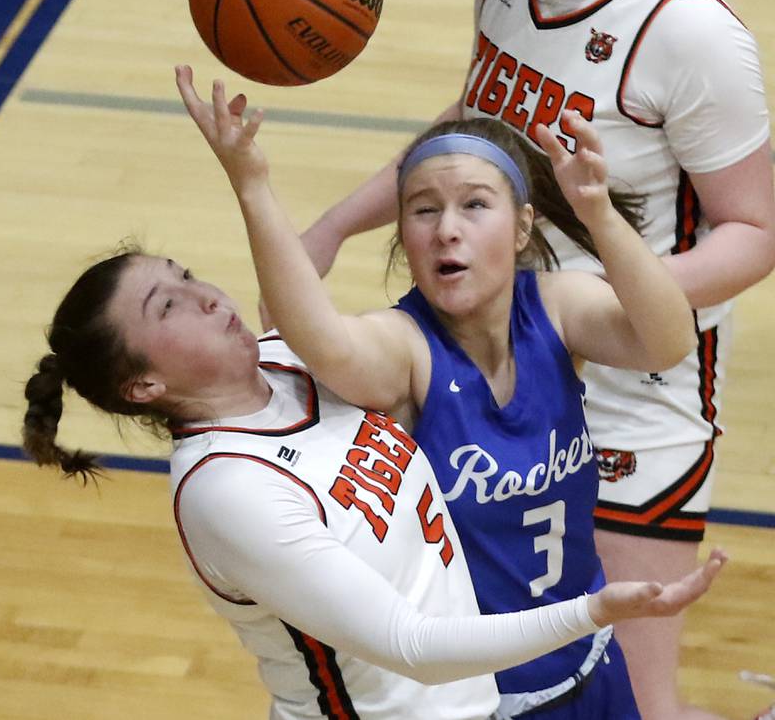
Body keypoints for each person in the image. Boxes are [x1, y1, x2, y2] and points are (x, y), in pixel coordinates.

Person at [284, 0, 775, 717]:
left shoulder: (688, 28)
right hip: (509, 373)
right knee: (504, 669)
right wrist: (338, 224)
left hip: (641, 393)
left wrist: (614, 307)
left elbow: (757, 230)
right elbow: (475, 130)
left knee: (637, 697)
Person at [174, 62, 727, 718]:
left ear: (522, 228)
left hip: (589, 659)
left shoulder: (557, 307)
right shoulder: (406, 348)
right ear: (405, 239)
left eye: (474, 205)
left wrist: (598, 215)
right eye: (423, 210)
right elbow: (318, 336)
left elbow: (667, 340)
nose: (447, 228)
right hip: (483, 698)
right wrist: (253, 184)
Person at [20, 247, 727, 719]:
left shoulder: (294, 362)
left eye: (182, 274)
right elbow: (409, 643)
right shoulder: (225, 489)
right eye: (166, 307)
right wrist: (592, 611)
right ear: (143, 384)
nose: (201, 295)